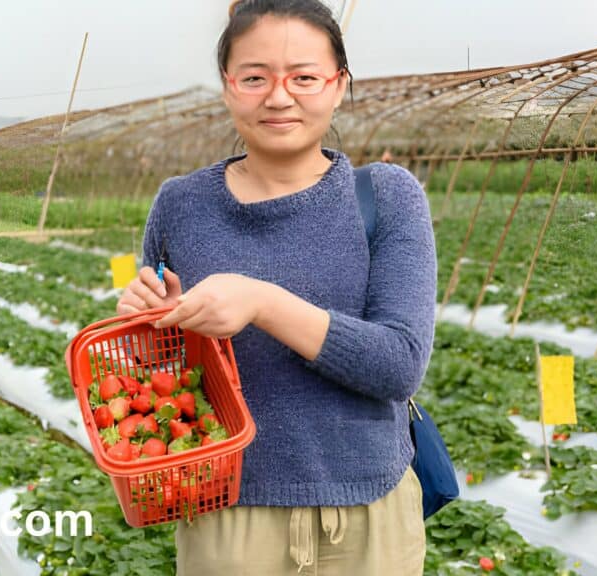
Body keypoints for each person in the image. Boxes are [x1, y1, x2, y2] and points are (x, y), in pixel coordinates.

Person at [115, 1, 436, 574]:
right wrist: (151, 325)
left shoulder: (386, 196)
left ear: (338, 86)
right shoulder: (181, 205)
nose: (279, 96)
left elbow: (398, 365)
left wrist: (262, 302)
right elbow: (159, 382)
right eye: (255, 77)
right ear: (228, 86)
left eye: (304, 77)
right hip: (225, 515)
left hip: (369, 516)